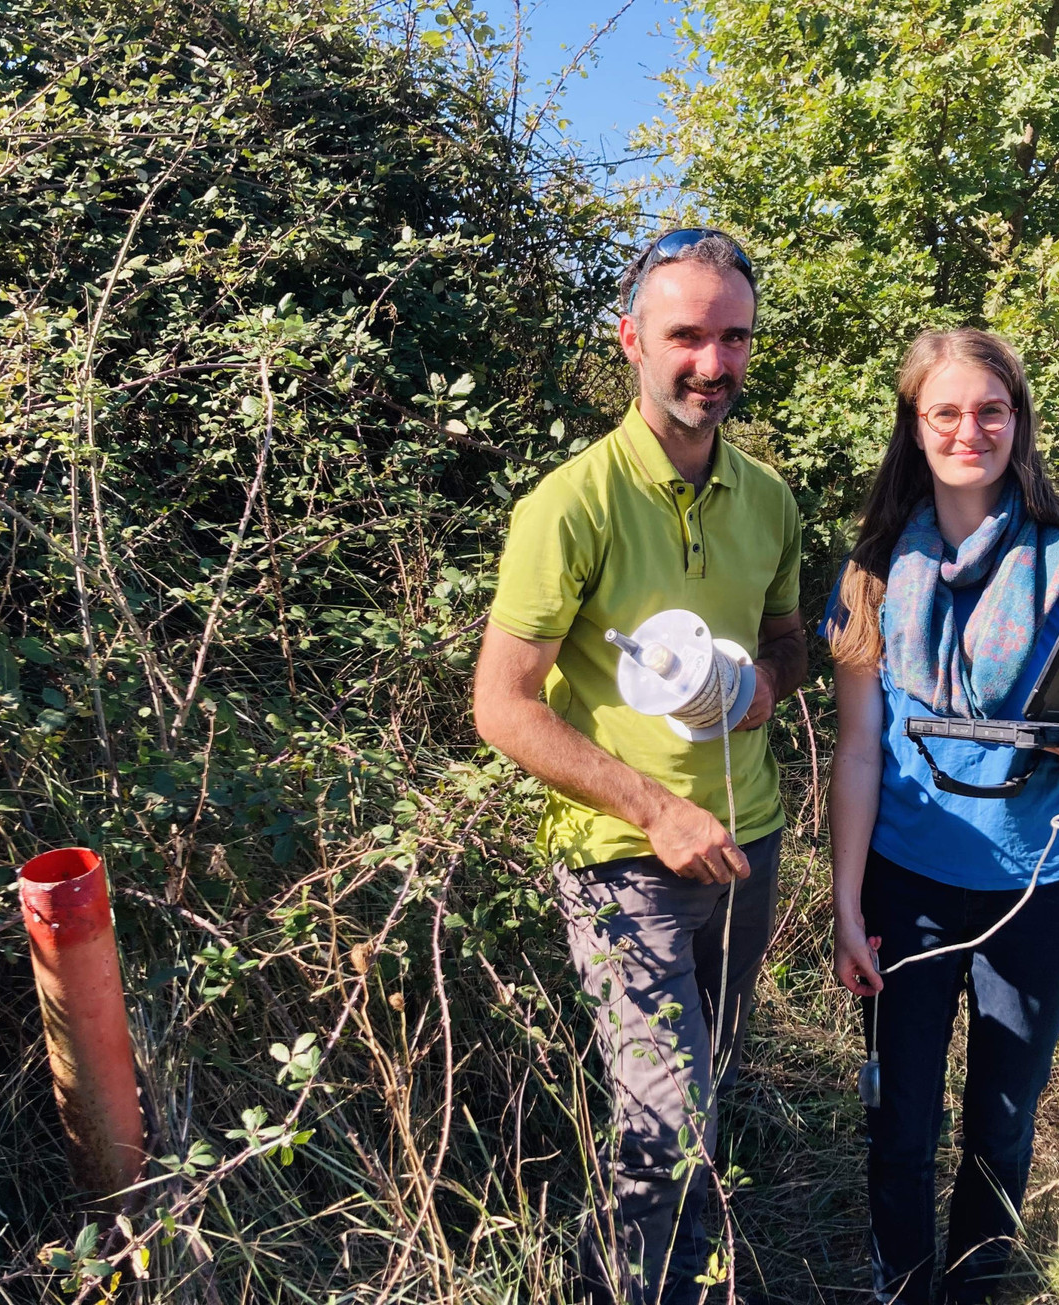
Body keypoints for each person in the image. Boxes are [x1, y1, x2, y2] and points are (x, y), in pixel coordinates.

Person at [472, 228, 806, 1305]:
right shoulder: (570, 505)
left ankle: (691, 1279)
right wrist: (654, 808)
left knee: (708, 1102)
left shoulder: (769, 499)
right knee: (664, 1116)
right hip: (625, 861)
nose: (713, 364)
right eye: (687, 336)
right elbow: (501, 705)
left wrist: (765, 681)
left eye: (734, 338)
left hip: (747, 846)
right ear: (631, 340)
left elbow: (788, 642)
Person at [824, 329, 1059, 1304]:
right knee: (901, 1127)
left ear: (1018, 420)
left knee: (1002, 1128)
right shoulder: (873, 572)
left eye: (991, 411)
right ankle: (902, 1286)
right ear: (914, 427)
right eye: (946, 413)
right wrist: (846, 905)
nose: (971, 431)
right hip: (908, 887)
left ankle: (973, 1290)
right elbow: (856, 752)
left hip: (1041, 894)